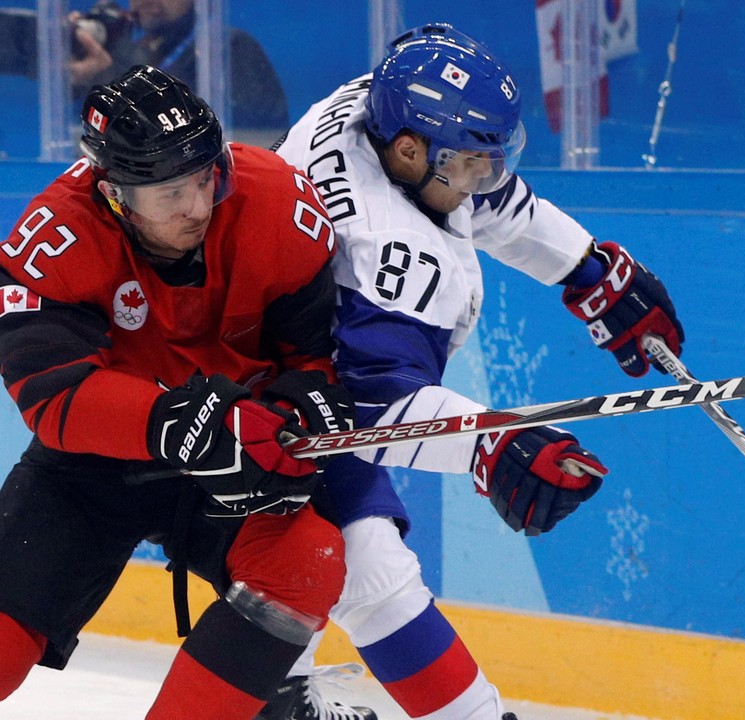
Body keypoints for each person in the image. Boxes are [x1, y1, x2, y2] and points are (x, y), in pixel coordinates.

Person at [267, 22, 684, 720]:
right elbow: (369, 411)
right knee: (366, 566)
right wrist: (492, 440)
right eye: (469, 161)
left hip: (285, 369)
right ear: (407, 150)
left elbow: (473, 183)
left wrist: (582, 265)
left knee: (333, 556)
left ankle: (277, 703)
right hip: (275, 387)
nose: (485, 176)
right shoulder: (382, 258)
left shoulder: (383, 102)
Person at [0, 64, 357, 720]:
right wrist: (174, 421)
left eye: (205, 177)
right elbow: (50, 398)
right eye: (170, 193)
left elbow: (313, 356)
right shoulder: (56, 235)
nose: (198, 205)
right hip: (92, 473)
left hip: (229, 468)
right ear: (114, 194)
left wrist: (301, 405)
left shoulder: (276, 201)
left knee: (309, 557)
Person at [0, 0, 288, 133]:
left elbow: (265, 134)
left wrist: (107, 76)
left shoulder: (229, 48)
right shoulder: (131, 51)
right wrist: (78, 79)